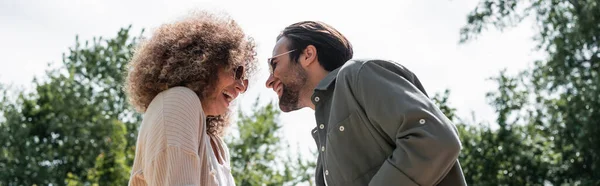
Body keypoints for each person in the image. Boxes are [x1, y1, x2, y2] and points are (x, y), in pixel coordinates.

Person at [265, 21, 467, 186]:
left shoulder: (357, 74)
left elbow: (434, 138)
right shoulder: (324, 138)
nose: (269, 80)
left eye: (274, 64)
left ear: (307, 55)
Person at [125, 11, 256, 186]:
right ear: (204, 60)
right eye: (237, 71)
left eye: (245, 81)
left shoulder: (217, 145)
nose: (240, 87)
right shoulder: (179, 100)